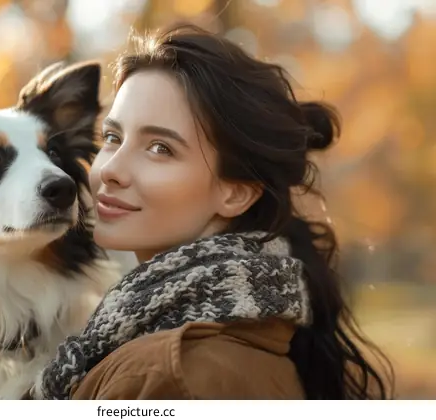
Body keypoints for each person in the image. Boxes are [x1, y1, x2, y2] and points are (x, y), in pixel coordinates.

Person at [37, 23, 394, 400]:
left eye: (160, 148)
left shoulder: (166, 375)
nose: (109, 169)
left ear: (237, 193)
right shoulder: (244, 337)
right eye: (113, 137)